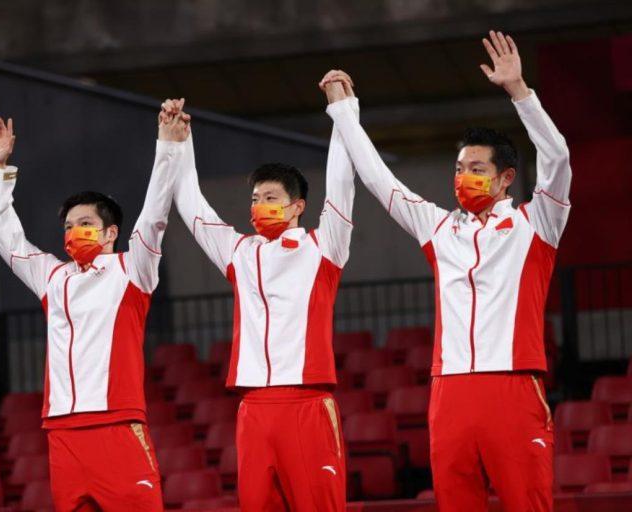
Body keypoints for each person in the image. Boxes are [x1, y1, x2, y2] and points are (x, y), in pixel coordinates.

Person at [322, 31, 571, 511]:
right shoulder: (438, 228)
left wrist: (519, 91)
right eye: (459, 168)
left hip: (513, 386)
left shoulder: (537, 223)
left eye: (476, 168)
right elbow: (378, 179)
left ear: (506, 178)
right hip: (449, 391)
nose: (463, 177)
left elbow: (557, 158)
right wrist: (344, 112)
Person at [163, 74, 356, 511]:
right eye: (254, 199)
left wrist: (342, 111)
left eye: (269, 197)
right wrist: (180, 144)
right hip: (252, 407)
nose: (258, 206)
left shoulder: (324, 246)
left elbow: (342, 184)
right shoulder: (240, 253)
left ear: (297, 206)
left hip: (307, 402)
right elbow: (191, 205)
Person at [0, 103, 191, 511]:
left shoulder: (133, 269)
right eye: (67, 226)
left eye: (84, 224)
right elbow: (6, 237)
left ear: (110, 232)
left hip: (117, 424)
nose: (73, 232)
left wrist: (167, 147)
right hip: (62, 432)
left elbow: (154, 216)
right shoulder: (52, 276)